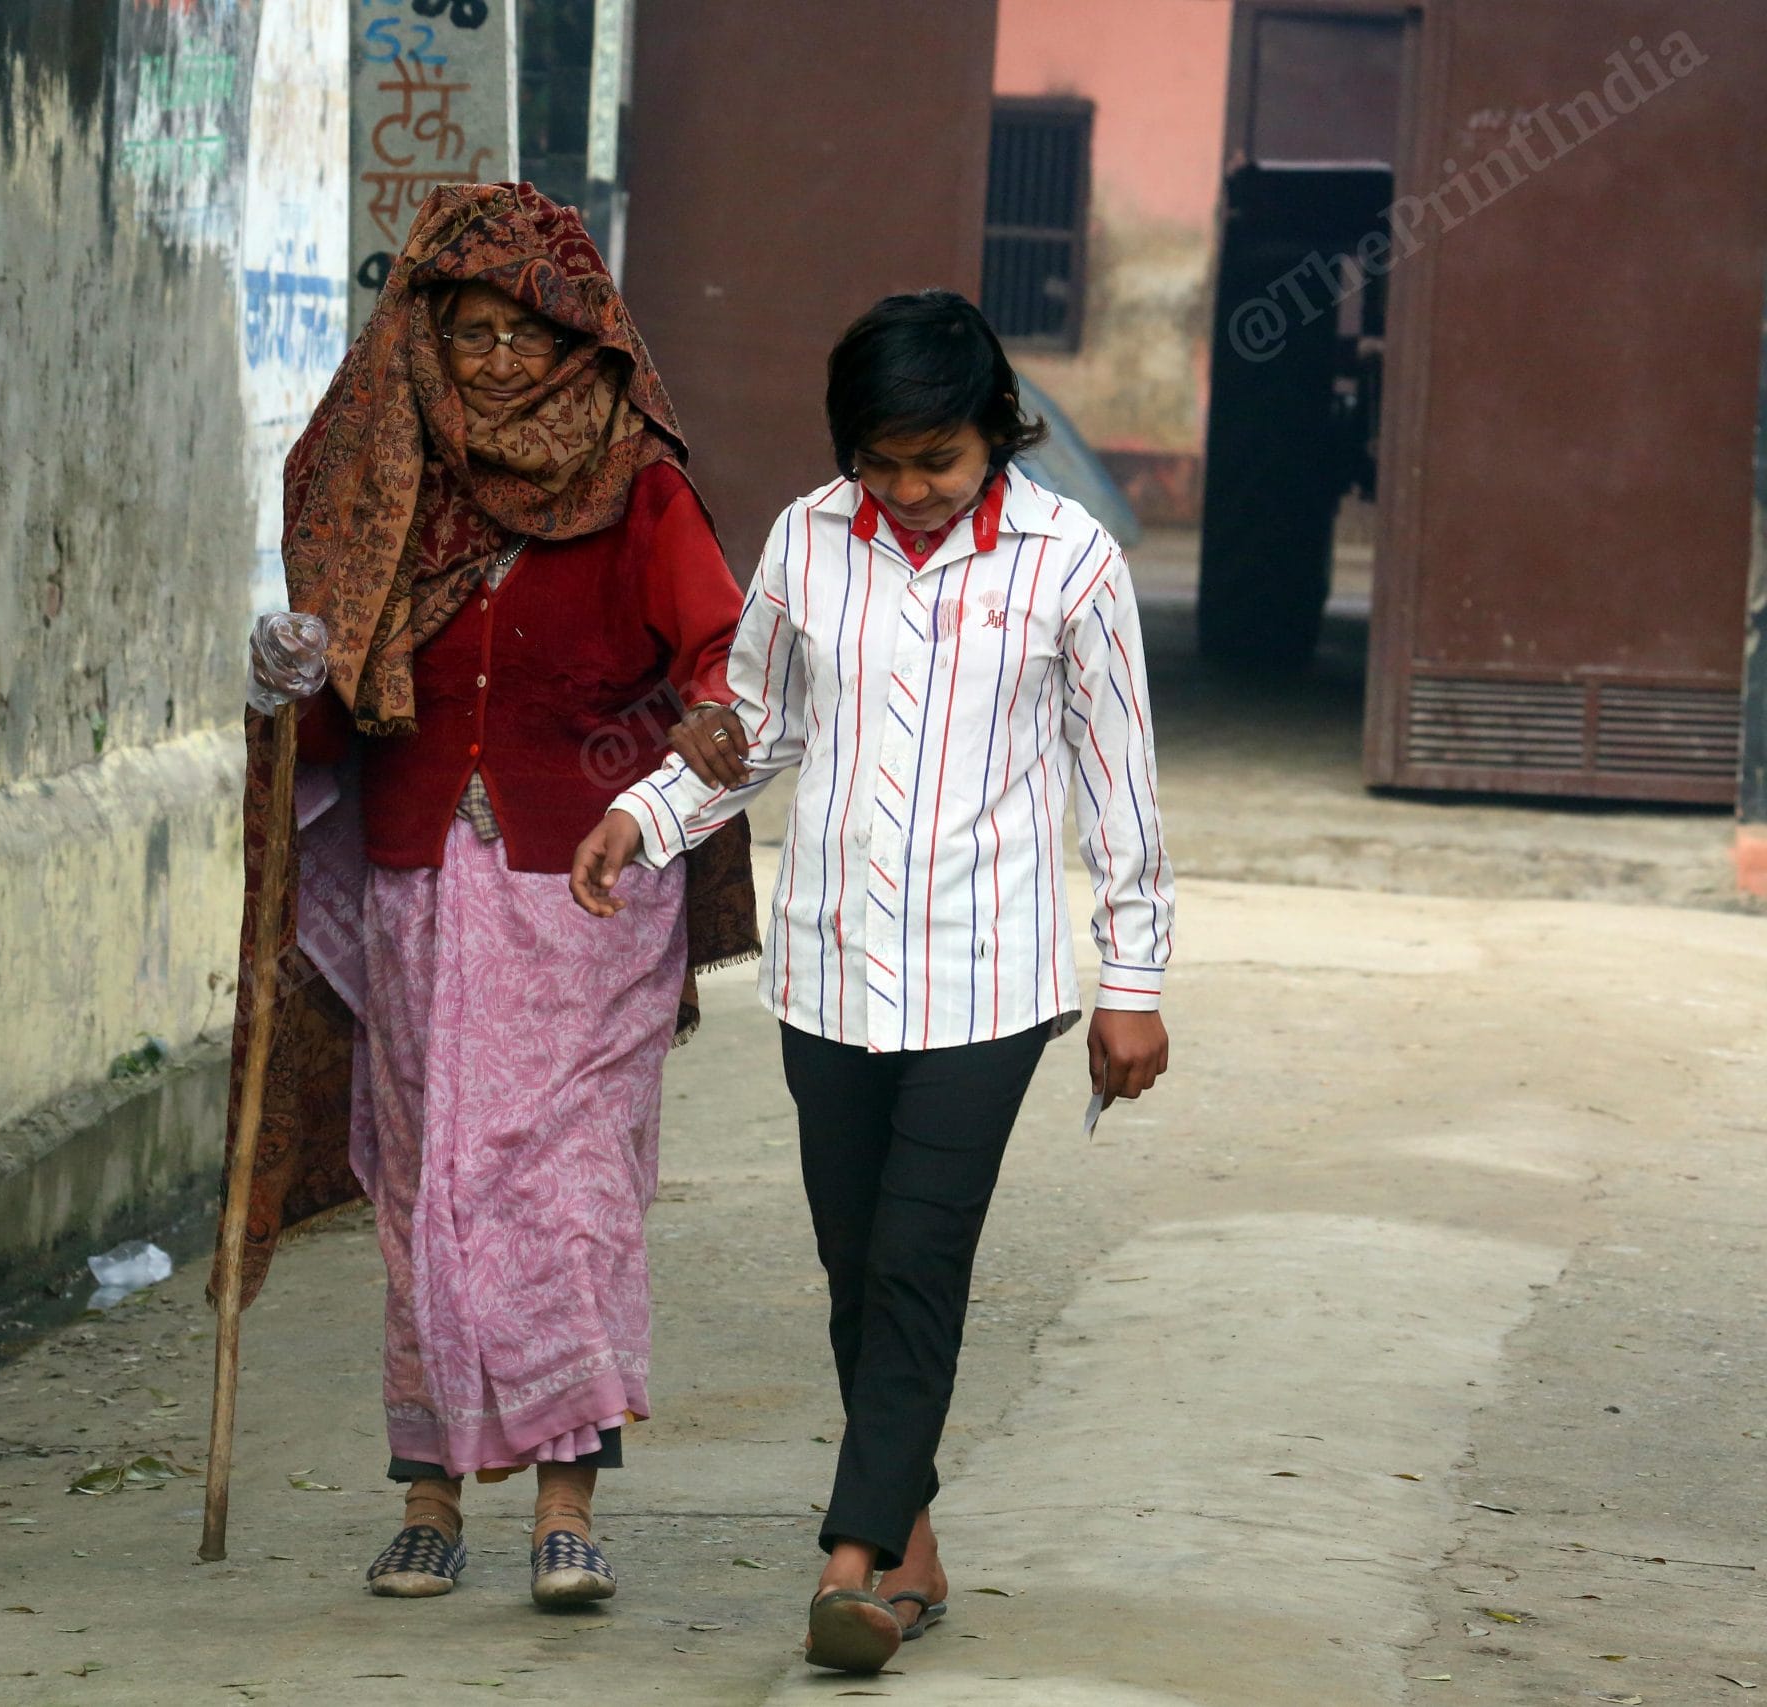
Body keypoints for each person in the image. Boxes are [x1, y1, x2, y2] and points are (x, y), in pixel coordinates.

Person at [570, 290, 1175, 1672]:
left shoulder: (1071, 561)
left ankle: (851, 1562)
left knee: (918, 1256)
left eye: (938, 464)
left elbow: (1117, 781)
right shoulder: (802, 539)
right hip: (830, 970)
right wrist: (648, 816)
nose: (907, 493)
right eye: (882, 464)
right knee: (856, 1265)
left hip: (990, 981)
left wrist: (1133, 977)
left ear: (997, 439)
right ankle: (915, 1547)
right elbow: (762, 726)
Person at [234, 182, 758, 1609]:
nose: (497, 362)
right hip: (421, 885)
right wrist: (293, 679)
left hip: (588, 896)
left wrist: (675, 774)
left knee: (571, 1195)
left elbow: (729, 662)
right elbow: (340, 693)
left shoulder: (640, 486)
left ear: (584, 339)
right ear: (426, 341)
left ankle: (568, 1499)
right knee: (429, 1191)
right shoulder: (387, 484)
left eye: (525, 333)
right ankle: (429, 1490)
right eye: (467, 333)